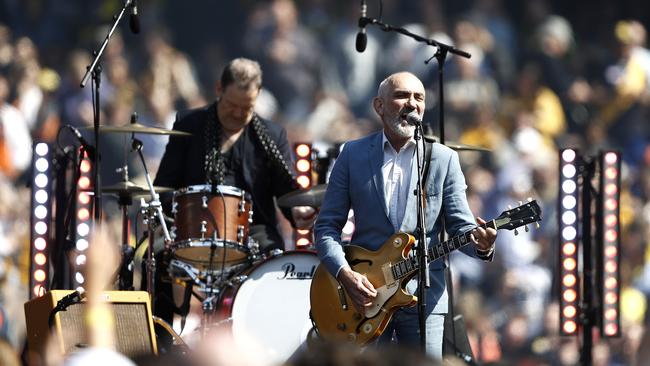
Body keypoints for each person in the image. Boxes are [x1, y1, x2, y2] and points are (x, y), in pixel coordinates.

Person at [314, 71, 497, 360]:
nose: (412, 104)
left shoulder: (443, 159)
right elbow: (326, 227)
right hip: (366, 298)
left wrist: (482, 246)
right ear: (379, 106)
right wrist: (344, 274)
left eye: (419, 98)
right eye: (402, 96)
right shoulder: (353, 154)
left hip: (425, 298)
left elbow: (462, 227)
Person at [152, 57, 315, 343]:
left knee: (276, 262)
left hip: (255, 230)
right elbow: (164, 187)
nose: (238, 114)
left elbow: (286, 191)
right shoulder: (189, 124)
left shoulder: (271, 134)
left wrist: (298, 212)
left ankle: (266, 343)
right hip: (195, 227)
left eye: (247, 107)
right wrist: (178, 214)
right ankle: (162, 343)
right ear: (218, 89)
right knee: (159, 259)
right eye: (231, 105)